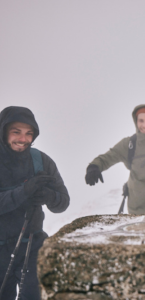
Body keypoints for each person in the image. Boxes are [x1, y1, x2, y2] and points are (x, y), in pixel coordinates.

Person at [0, 106, 70, 300]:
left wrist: (48, 196)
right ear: (3, 131)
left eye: (28, 134)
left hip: (31, 246)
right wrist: (24, 191)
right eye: (16, 132)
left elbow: (63, 202)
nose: (23, 139)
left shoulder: (41, 161)